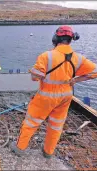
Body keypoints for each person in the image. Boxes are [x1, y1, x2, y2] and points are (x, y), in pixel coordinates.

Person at [10, 25, 97, 158]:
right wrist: (76, 80)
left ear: (55, 38)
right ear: (71, 40)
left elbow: (35, 77)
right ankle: (48, 152)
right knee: (56, 125)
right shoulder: (78, 58)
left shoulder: (46, 56)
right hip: (66, 96)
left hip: (46, 96)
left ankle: (20, 148)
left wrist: (35, 72)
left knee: (31, 122)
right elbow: (94, 71)